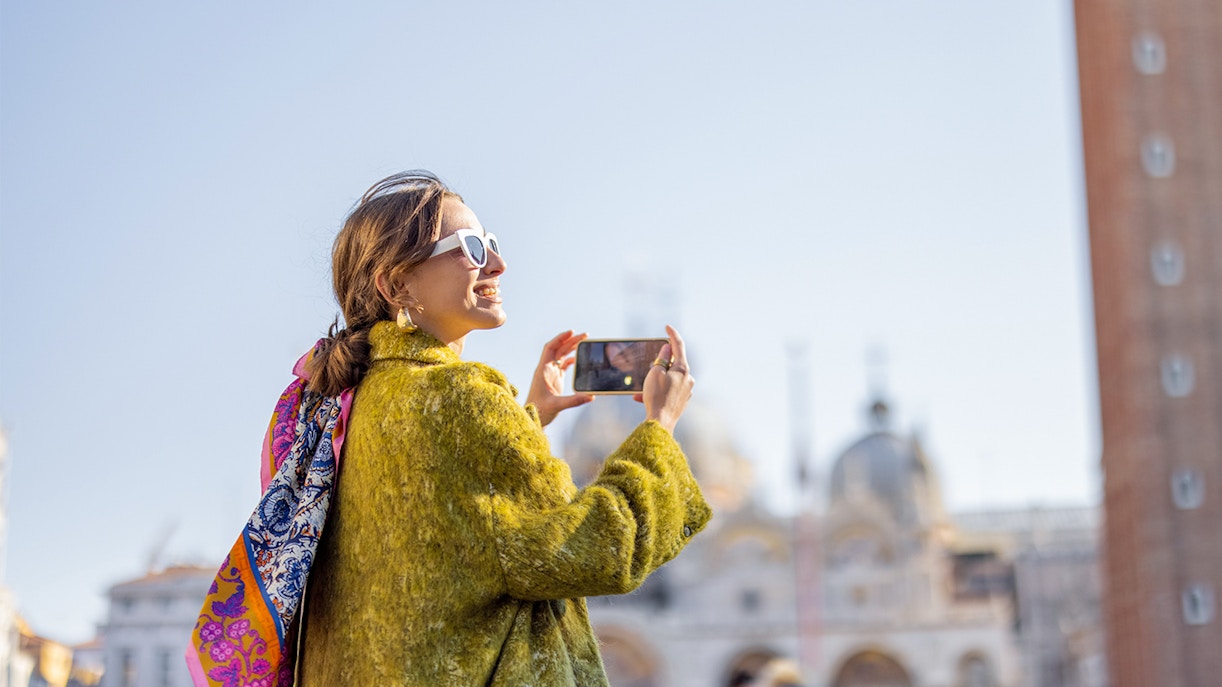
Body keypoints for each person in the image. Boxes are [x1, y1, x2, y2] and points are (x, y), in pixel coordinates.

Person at [281, 171, 709, 684]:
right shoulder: (461, 399)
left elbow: (457, 536)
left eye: (492, 244)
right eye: (470, 247)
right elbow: (601, 548)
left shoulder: (347, 402)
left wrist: (528, 419)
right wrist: (660, 428)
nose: (499, 264)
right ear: (397, 284)